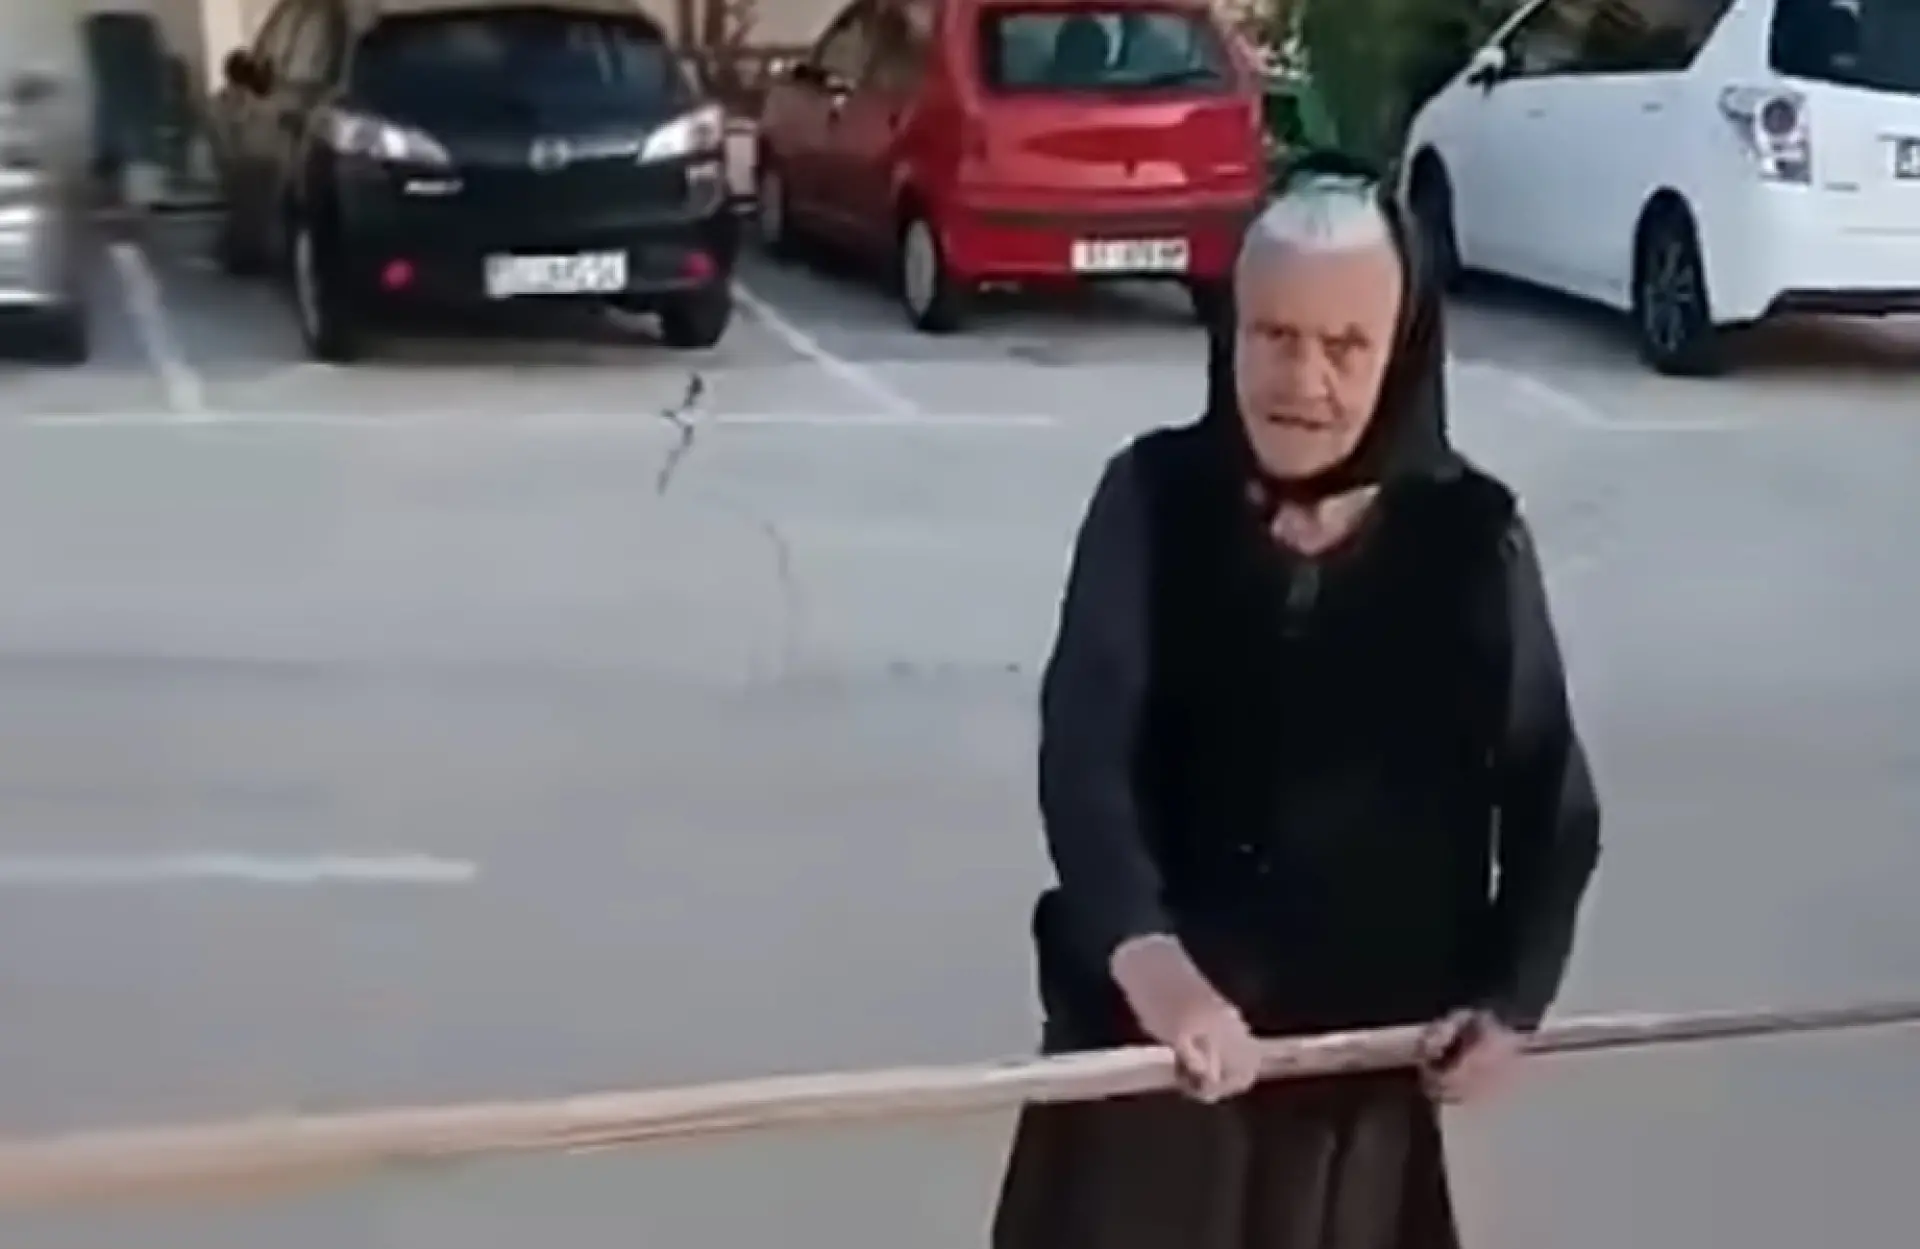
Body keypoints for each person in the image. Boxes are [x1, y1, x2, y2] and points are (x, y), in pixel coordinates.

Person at [991, 159, 1602, 1249]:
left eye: (1344, 346)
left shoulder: (1470, 540)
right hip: (1152, 1071)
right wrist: (1152, 963)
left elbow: (1552, 797)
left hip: (1353, 1091)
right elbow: (1084, 758)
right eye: (1272, 335)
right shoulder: (1152, 499)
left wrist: (1513, 997)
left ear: (1400, 351)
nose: (1301, 379)